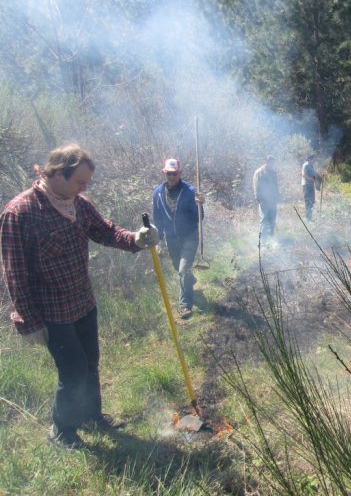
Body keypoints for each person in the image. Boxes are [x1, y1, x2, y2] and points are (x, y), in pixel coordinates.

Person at [0, 143, 159, 450]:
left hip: (83, 303)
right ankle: (61, 431)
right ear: (57, 174)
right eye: (80, 182)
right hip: (53, 314)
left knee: (90, 364)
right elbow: (15, 276)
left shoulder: (78, 204)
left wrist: (136, 239)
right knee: (72, 372)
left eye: (86, 183)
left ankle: (90, 415)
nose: (84, 188)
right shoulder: (20, 213)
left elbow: (106, 231)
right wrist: (29, 321)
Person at [152, 159, 205, 320]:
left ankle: (184, 306)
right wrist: (158, 240)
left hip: (189, 236)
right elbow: (158, 218)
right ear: (164, 173)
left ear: (180, 173)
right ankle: (190, 280)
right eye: (169, 173)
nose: (172, 176)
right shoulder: (158, 193)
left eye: (174, 173)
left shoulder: (190, 191)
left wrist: (200, 205)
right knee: (179, 268)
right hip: (171, 239)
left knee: (182, 270)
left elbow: (199, 218)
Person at [253, 155, 280, 243]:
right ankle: (263, 241)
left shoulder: (273, 172)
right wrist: (260, 200)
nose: (272, 164)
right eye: (270, 162)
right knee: (264, 220)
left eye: (273, 162)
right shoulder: (259, 172)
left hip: (273, 200)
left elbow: (276, 186)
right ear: (266, 162)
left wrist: (276, 197)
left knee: (272, 220)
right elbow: (256, 187)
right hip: (264, 201)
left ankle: (270, 239)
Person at [301, 152, 319, 221]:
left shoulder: (311, 166)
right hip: (306, 186)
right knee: (308, 201)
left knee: (312, 201)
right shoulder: (305, 165)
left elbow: (313, 175)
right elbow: (303, 175)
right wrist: (312, 179)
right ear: (310, 159)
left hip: (311, 186)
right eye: (314, 159)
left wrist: (317, 178)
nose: (315, 161)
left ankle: (310, 217)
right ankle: (308, 218)